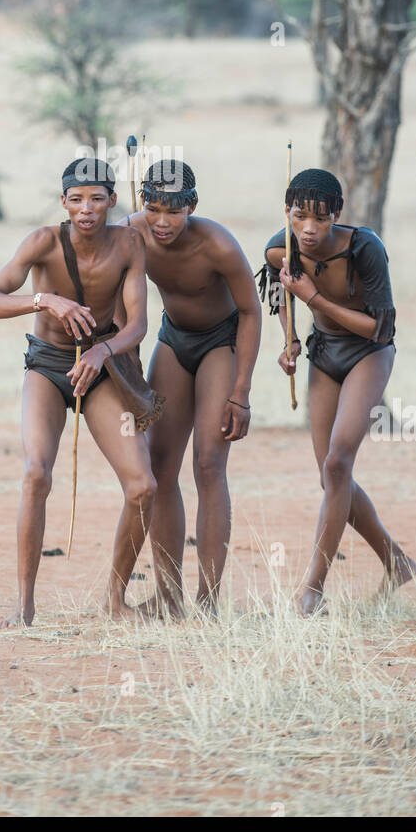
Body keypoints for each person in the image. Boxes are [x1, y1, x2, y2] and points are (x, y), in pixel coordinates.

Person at [0, 157, 161, 627]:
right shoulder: (42, 242)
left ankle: (115, 602)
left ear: (112, 202)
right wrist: (45, 300)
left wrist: (102, 353)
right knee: (37, 474)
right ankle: (24, 607)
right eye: (76, 200)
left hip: (101, 369)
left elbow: (137, 323)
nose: (87, 209)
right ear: (63, 203)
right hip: (47, 366)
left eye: (97, 199)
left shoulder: (129, 243)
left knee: (143, 486)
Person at [259, 167, 416, 617]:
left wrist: (314, 299)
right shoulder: (280, 249)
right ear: (287, 213)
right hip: (324, 355)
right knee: (332, 476)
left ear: (338, 215)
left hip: (369, 353)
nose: (309, 229)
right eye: (298, 216)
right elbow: (277, 295)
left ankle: (312, 589)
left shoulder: (365, 247)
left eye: (321, 218)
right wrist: (289, 341)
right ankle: (396, 562)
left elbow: (380, 328)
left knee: (337, 462)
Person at [120, 159, 262, 615]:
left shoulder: (218, 244)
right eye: (154, 208)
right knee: (159, 466)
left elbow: (251, 312)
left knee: (208, 464)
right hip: (173, 339)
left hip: (220, 342)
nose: (162, 222)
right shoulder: (131, 233)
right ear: (144, 202)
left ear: (192, 207)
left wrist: (241, 390)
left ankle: (209, 601)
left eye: (173, 212)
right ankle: (167, 596)